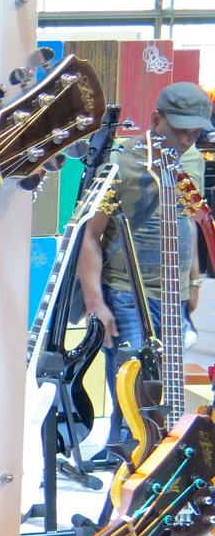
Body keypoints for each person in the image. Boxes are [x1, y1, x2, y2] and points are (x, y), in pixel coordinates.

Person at [76, 81, 212, 440]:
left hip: (173, 294)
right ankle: (124, 453)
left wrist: (193, 280)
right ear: (155, 119)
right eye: (180, 130)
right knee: (131, 380)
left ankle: (154, 453)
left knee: (165, 383)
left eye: (196, 132)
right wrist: (95, 302)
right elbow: (89, 235)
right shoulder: (120, 161)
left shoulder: (192, 160)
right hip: (125, 291)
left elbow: (188, 222)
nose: (187, 140)